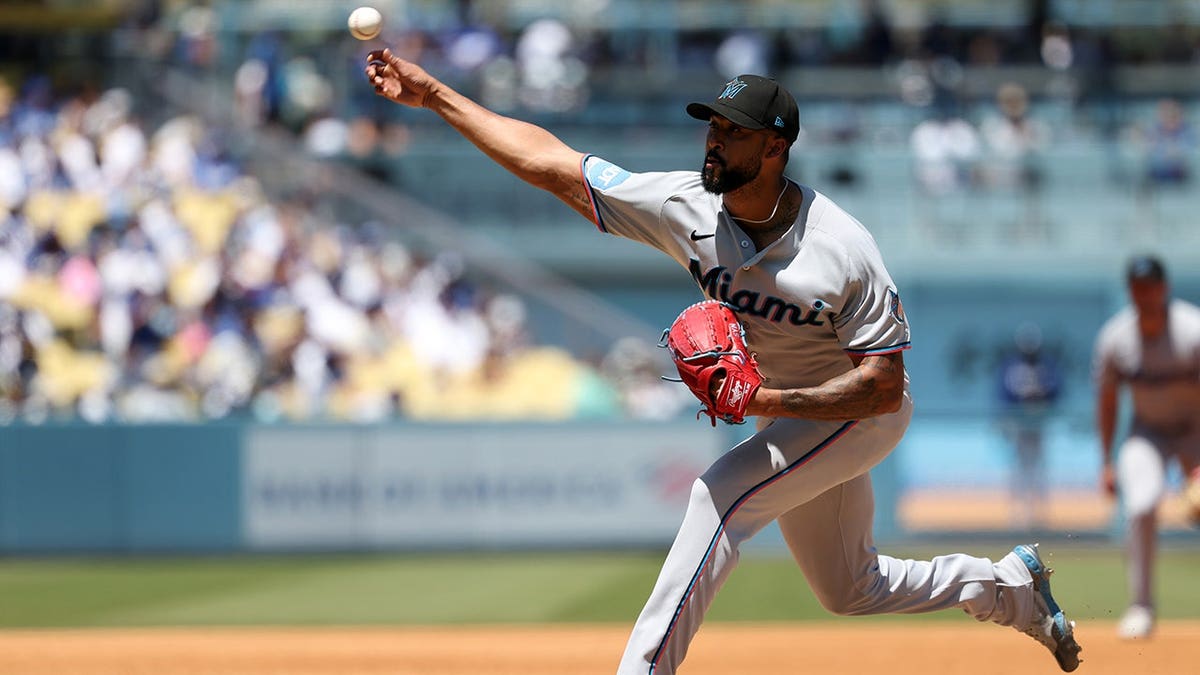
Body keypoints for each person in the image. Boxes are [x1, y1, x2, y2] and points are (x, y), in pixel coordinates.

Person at [363, 52, 1083, 673]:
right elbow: (553, 165)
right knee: (849, 587)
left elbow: (882, 383)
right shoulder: (686, 207)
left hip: (865, 413)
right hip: (799, 410)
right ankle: (1008, 586)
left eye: (730, 131)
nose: (712, 140)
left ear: (774, 148)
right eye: (710, 125)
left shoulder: (842, 247)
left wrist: (763, 401)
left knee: (721, 491)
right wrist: (435, 96)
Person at [1093, 254, 1200, 640]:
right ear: (1130, 291)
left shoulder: (1193, 330)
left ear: (1164, 288)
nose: (1145, 293)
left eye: (1151, 285)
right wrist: (1106, 461)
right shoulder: (1115, 338)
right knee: (1140, 505)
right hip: (1147, 433)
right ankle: (1141, 606)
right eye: (1138, 287)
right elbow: (1107, 402)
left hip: (1195, 432)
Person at [996, 323, 1063, 530]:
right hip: (1019, 423)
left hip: (1038, 422)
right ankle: (1018, 512)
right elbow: (1005, 394)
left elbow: (1056, 390)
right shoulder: (1013, 366)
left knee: (1039, 467)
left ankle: (1039, 512)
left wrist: (1041, 396)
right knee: (1018, 468)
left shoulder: (1046, 366)